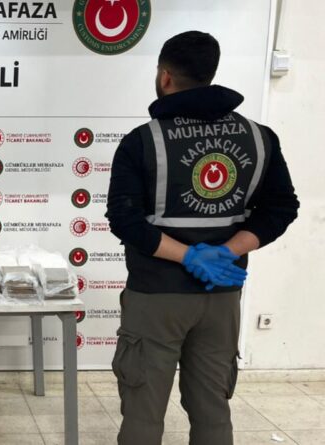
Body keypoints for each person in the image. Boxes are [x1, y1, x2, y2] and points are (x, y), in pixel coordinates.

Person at [106, 31, 299, 445]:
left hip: (156, 296)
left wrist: (189, 256)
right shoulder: (260, 138)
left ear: (165, 77)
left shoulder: (143, 141)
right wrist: (223, 253)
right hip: (222, 295)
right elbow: (282, 208)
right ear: (211, 73)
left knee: (143, 413)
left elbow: (125, 220)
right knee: (213, 410)